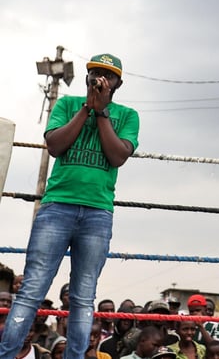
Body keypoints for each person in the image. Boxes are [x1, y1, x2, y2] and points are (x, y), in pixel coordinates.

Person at [0, 53, 139, 359]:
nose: (100, 79)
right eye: (95, 73)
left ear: (118, 83)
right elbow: (55, 145)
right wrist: (87, 108)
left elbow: (118, 156)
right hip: (57, 206)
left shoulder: (128, 115)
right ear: (87, 77)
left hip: (97, 212)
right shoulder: (66, 105)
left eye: (108, 75)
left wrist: (101, 113)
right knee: (32, 290)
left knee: (83, 296)